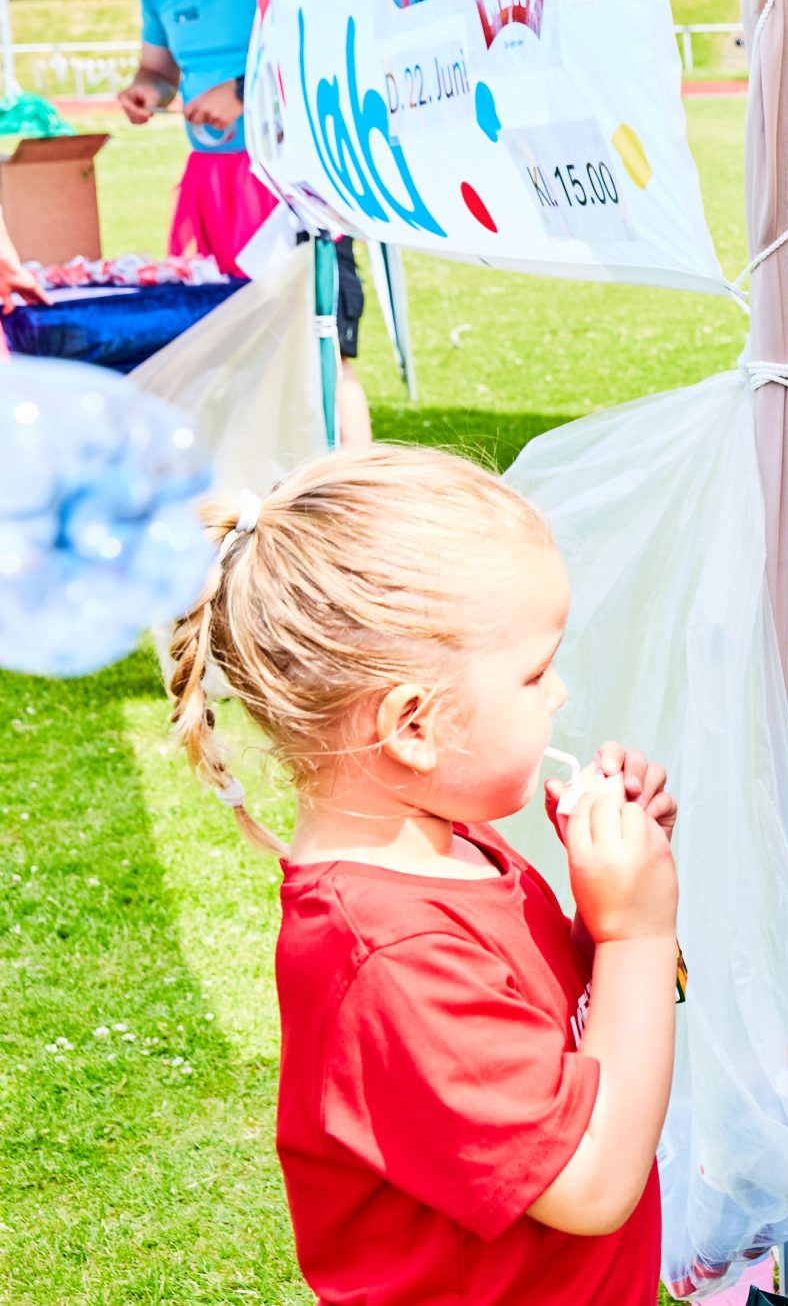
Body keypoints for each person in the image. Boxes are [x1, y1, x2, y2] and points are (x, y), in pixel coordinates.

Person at [164, 445, 677, 1302]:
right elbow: (591, 1180)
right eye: (534, 670)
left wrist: (603, 910)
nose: (557, 694)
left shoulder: (460, 850)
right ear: (412, 724)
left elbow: (558, 1049)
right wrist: (639, 932)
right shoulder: (391, 957)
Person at [114, 0, 370, 439]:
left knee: (319, 339)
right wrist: (146, 91)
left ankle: (352, 487)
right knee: (219, 340)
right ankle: (251, 481)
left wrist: (243, 92)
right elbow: (158, 68)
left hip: (288, 179)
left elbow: (321, 46)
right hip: (212, 181)